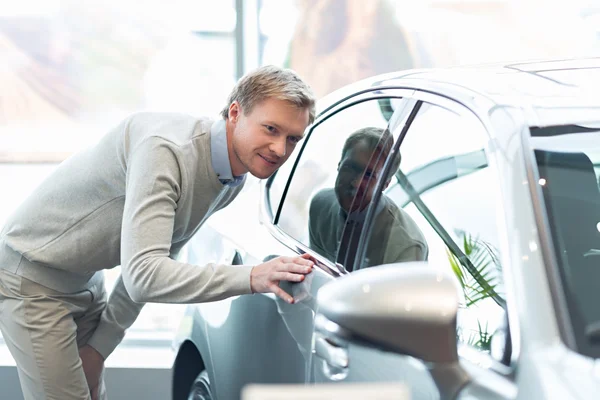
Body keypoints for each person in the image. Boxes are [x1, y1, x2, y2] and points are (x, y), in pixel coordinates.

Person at [0, 65, 316, 400]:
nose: (280, 150)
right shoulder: (167, 151)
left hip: (85, 276)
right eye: (271, 129)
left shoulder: (233, 175)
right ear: (236, 112)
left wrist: (99, 349)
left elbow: (159, 256)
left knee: (93, 394)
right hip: (31, 276)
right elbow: (144, 275)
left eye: (292, 138)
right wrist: (251, 277)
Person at [308, 127, 428, 271]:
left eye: (369, 176)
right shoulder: (320, 206)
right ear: (339, 165)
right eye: (351, 168)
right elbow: (313, 274)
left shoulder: (406, 245)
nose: (356, 183)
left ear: (385, 184)